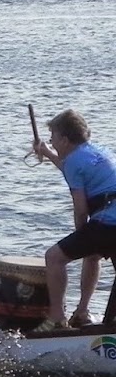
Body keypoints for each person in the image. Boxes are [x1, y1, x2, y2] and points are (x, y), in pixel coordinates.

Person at [33, 109, 116, 330]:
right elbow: (73, 168)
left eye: (54, 138)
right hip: (112, 217)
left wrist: (82, 235)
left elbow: (80, 210)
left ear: (65, 140)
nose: (51, 141)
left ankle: (57, 319)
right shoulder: (95, 152)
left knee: (54, 257)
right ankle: (82, 313)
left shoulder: (73, 163)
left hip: (109, 222)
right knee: (92, 256)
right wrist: (49, 153)